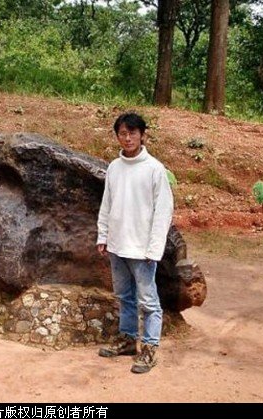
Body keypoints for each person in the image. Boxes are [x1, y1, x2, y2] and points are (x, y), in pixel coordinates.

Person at [96, 112, 174, 374]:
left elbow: (163, 212)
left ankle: (150, 347)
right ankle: (128, 339)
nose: (127, 138)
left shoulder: (154, 169)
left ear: (142, 135)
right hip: (117, 245)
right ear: (117, 136)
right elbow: (107, 204)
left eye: (132, 133)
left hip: (142, 250)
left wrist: (154, 248)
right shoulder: (114, 168)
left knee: (148, 301)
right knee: (124, 297)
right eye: (122, 133)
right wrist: (103, 236)